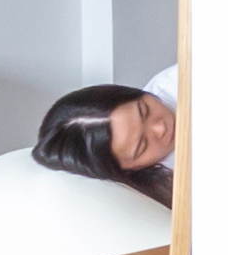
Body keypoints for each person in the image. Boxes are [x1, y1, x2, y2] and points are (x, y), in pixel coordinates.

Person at [33, 69, 176, 204]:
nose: (161, 128)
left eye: (145, 111)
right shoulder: (165, 193)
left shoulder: (178, 82)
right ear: (129, 169)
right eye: (143, 145)